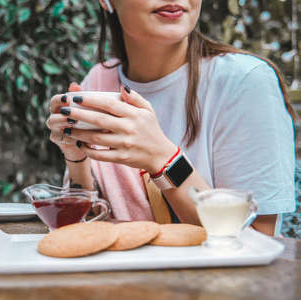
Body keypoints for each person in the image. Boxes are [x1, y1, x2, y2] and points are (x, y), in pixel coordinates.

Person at [45, 0, 297, 236]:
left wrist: (163, 159)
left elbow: (258, 242)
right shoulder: (99, 83)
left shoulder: (244, 82)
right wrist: (76, 156)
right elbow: (85, 228)